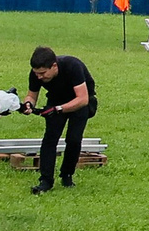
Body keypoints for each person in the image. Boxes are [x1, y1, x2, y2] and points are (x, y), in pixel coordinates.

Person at [23, 45, 95, 194]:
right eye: (37, 74)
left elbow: (83, 98)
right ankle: (45, 180)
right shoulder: (36, 74)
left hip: (79, 102)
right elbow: (32, 95)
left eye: (43, 73)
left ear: (54, 66)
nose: (39, 77)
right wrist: (28, 105)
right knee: (50, 139)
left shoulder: (72, 66)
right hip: (56, 100)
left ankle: (67, 175)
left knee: (74, 139)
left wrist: (58, 109)